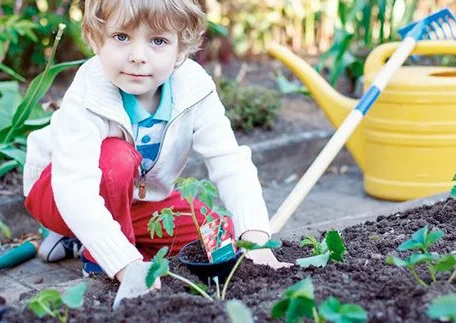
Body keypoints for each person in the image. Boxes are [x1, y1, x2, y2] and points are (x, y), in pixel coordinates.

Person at [22, 0, 290, 310]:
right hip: (58, 193)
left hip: (139, 200)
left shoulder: (194, 87)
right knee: (117, 158)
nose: (138, 56)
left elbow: (230, 162)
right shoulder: (88, 94)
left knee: (218, 234)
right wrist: (128, 266)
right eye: (121, 37)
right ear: (97, 38)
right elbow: (74, 190)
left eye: (158, 41)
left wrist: (255, 238)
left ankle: (104, 239)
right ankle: (96, 253)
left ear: (181, 50)